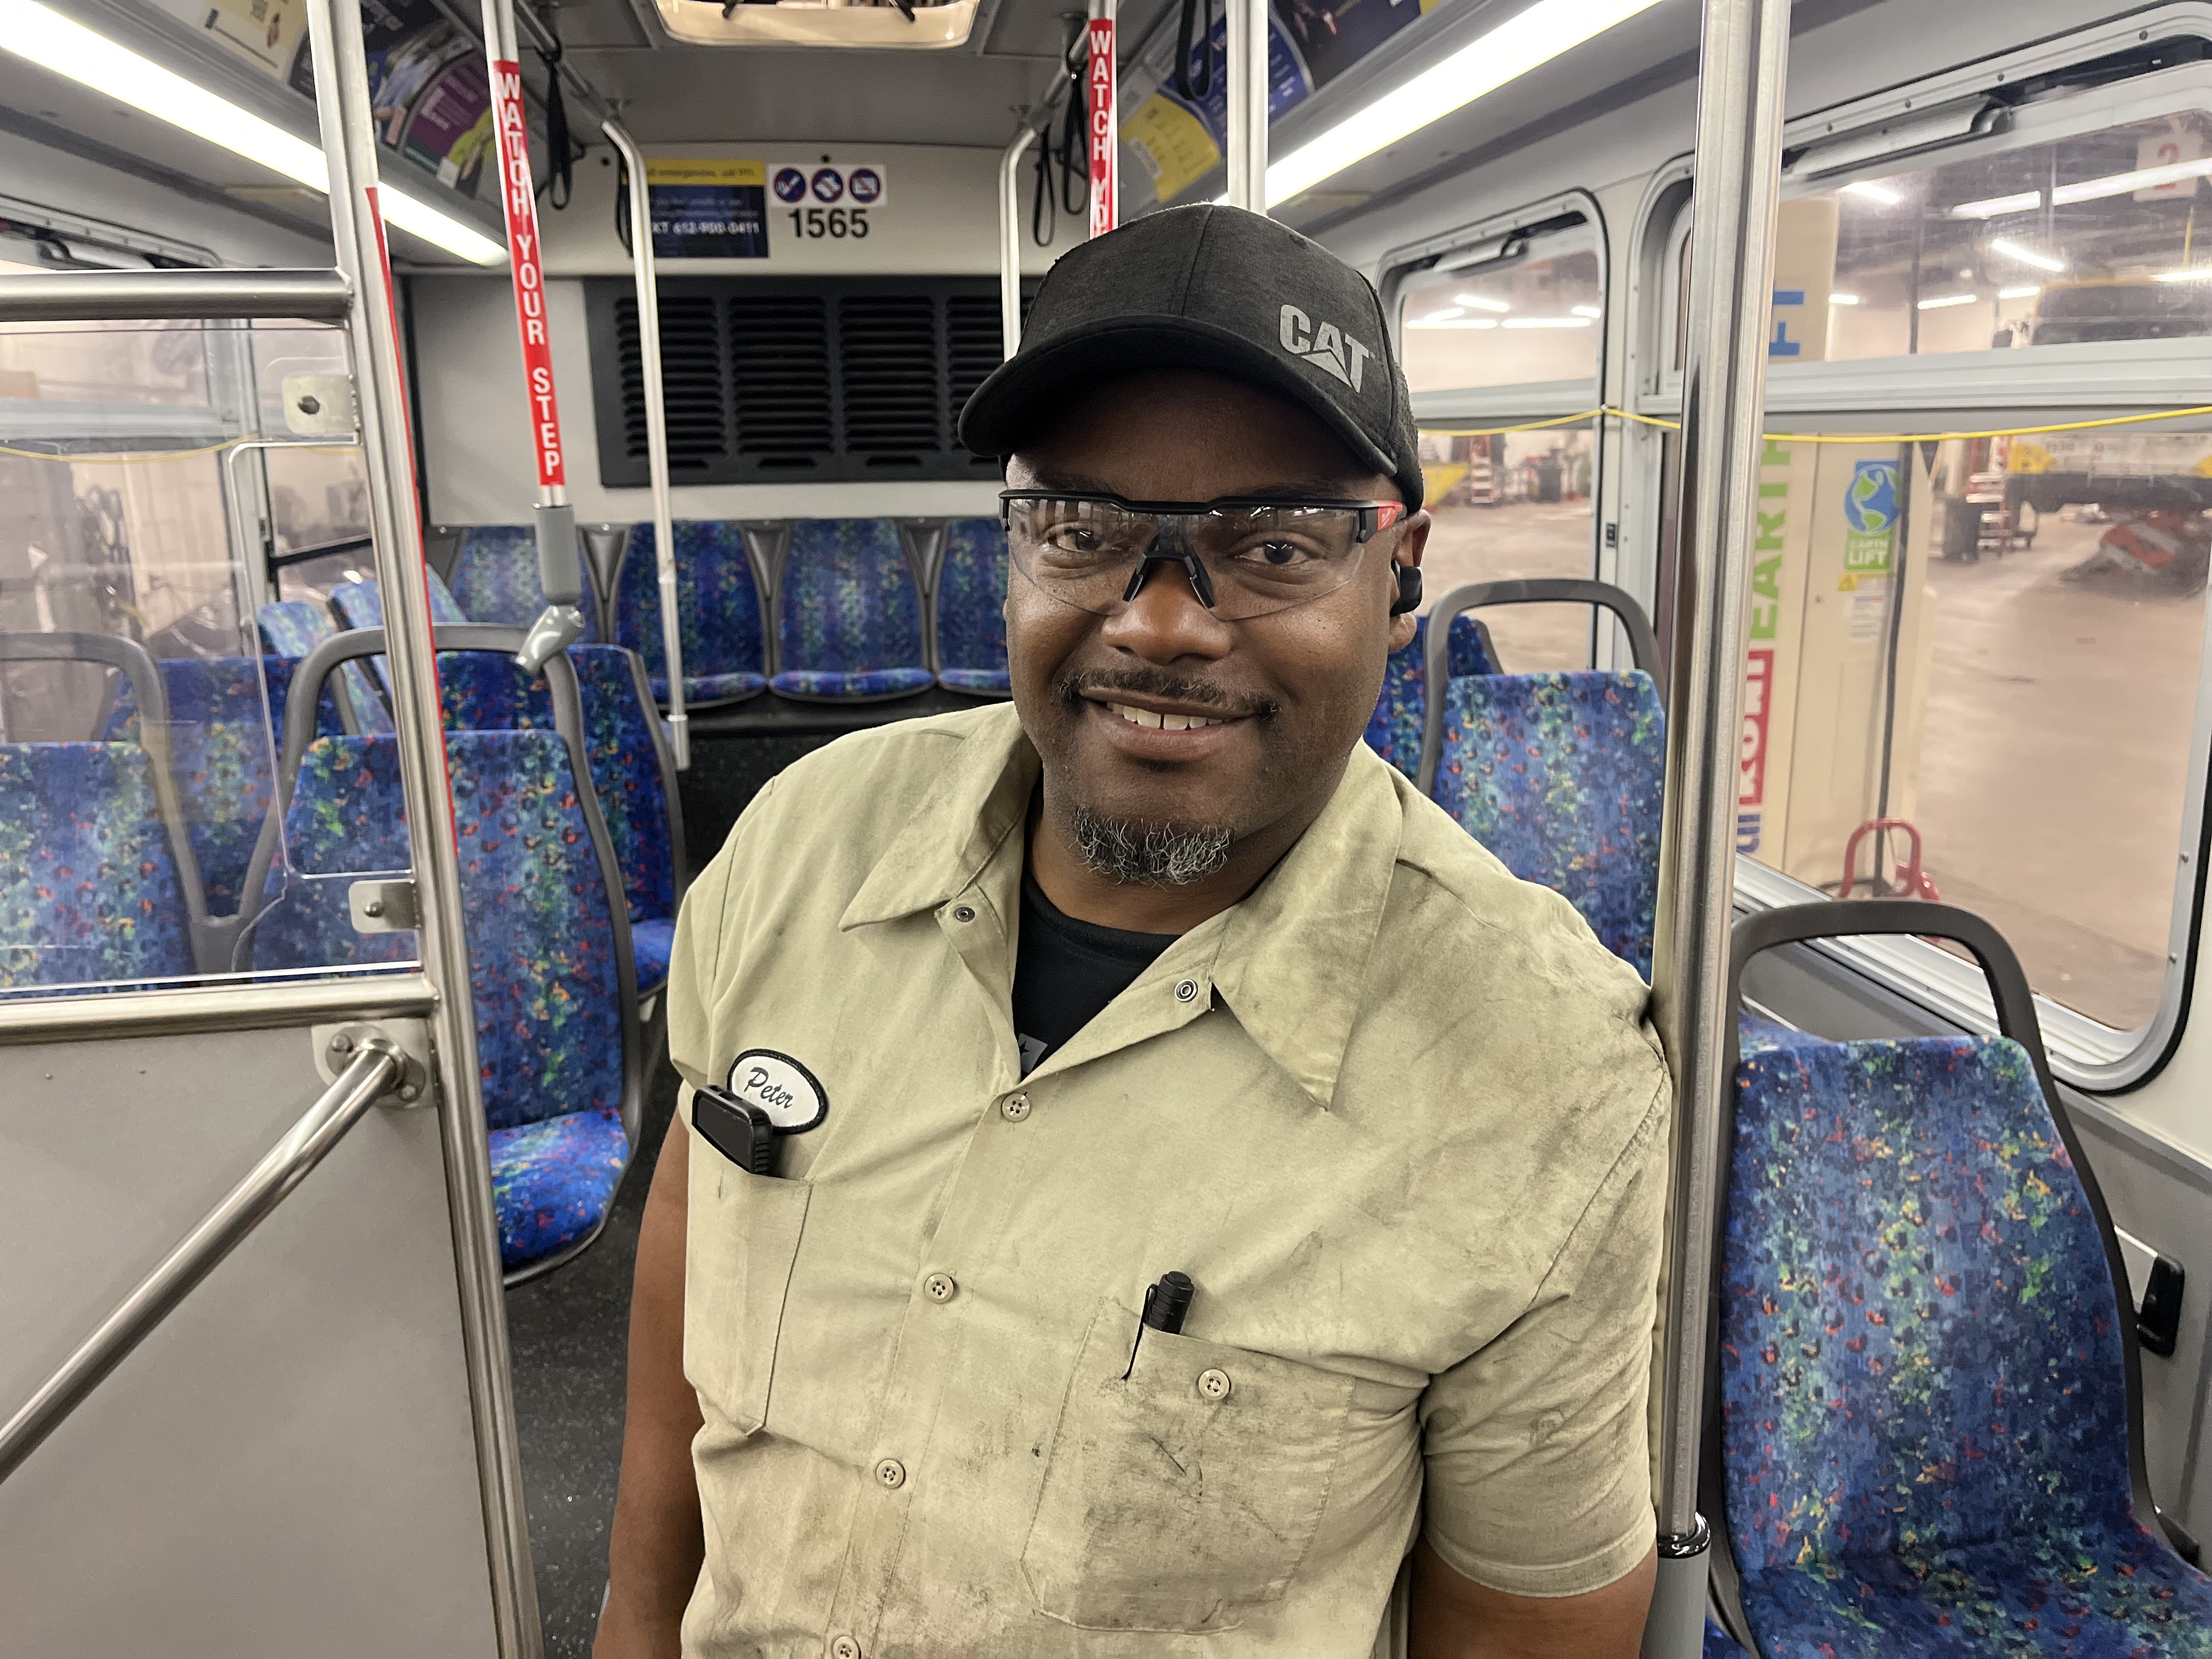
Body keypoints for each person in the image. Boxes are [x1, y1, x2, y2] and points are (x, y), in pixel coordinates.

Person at [595, 204, 1671, 1659]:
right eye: (1084, 530)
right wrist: (633, 1627)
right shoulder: (803, 844)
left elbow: (1525, 1623)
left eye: (1277, 544)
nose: (1161, 623)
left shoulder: (1541, 1072)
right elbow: (688, 1238)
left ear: (1401, 574)